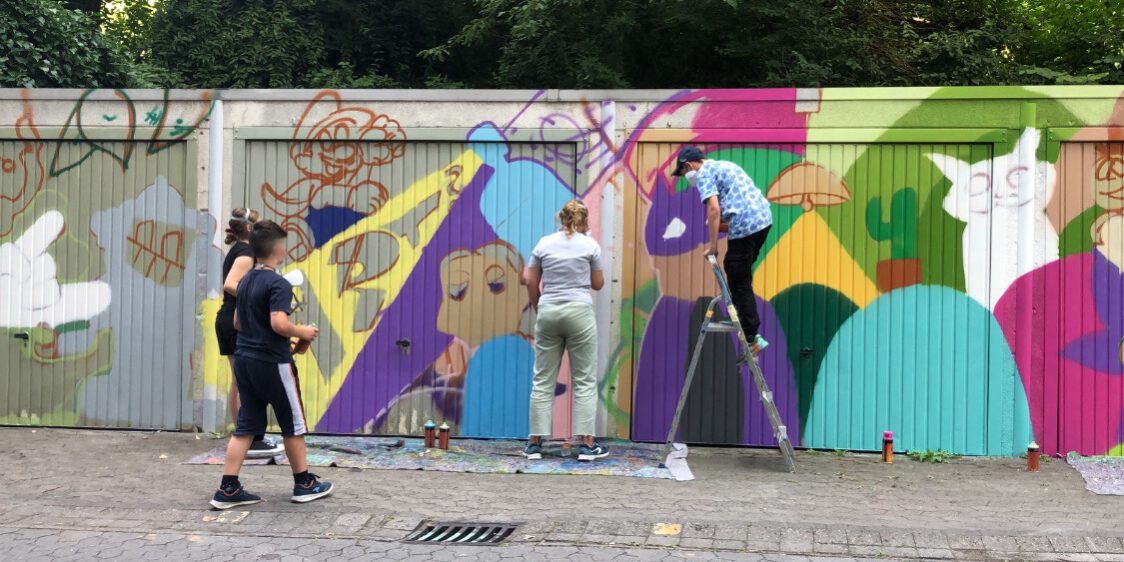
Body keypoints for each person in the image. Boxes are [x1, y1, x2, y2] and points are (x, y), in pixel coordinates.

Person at [210, 221, 333, 509]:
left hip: (244, 360)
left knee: (246, 427)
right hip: (273, 363)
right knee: (292, 423)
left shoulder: (247, 281)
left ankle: (228, 488)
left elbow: (239, 322)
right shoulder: (279, 283)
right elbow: (279, 323)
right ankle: (304, 483)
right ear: (279, 248)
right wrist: (301, 332)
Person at [522, 200, 608, 461]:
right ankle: (586, 445)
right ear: (584, 220)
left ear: (560, 218)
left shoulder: (544, 243)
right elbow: (598, 284)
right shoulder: (590, 245)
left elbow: (530, 280)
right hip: (579, 312)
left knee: (543, 378)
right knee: (584, 379)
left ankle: (535, 444)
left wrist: (540, 306)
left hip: (549, 311)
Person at [671, 146, 772, 354]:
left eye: (683, 174)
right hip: (763, 221)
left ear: (688, 165)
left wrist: (713, 247)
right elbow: (730, 210)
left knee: (736, 274)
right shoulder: (724, 165)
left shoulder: (703, 174)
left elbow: (714, 208)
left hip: (746, 224)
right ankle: (743, 320)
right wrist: (715, 225)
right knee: (741, 273)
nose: (686, 179)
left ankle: (751, 336)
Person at [215, 208, 283, 459]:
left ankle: (245, 433)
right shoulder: (245, 254)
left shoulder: (240, 251)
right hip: (234, 320)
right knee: (243, 381)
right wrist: (256, 295)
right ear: (250, 231)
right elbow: (230, 285)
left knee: (239, 380)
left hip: (233, 319)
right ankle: (250, 437)